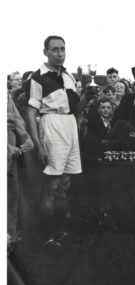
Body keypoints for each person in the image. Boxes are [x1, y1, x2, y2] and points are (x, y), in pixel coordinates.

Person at [27, 35, 84, 222]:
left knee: (66, 181)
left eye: (63, 49)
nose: (60, 53)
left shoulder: (69, 76)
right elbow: (30, 112)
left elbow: (75, 108)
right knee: (52, 183)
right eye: (55, 50)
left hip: (70, 126)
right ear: (46, 52)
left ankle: (62, 228)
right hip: (51, 125)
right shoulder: (38, 77)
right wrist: (38, 145)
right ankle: (46, 229)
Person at [7, 93, 34, 245]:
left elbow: (16, 118)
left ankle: (9, 238)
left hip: (10, 137)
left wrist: (26, 137)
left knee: (12, 193)